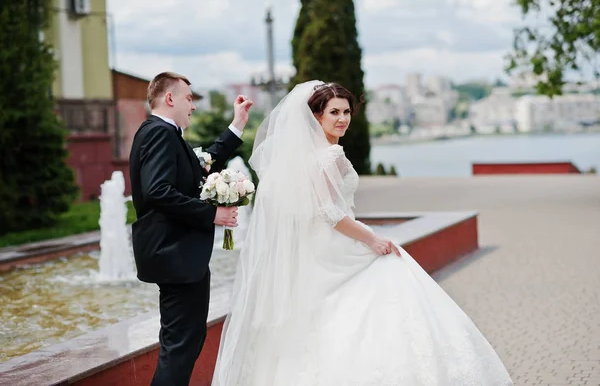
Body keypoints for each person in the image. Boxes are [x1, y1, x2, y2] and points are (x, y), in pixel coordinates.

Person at [211, 81, 514, 385]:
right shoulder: (328, 156)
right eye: (334, 112)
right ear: (317, 116)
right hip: (335, 245)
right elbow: (329, 213)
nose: (342, 118)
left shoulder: (309, 156)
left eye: (346, 111)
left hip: (319, 246)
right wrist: (372, 238)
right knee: (391, 275)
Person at [128, 72, 252, 386]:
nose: (193, 106)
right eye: (188, 98)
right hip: (175, 257)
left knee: (186, 343)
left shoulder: (165, 133)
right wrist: (213, 214)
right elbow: (158, 190)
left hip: (180, 258)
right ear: (169, 98)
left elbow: (203, 164)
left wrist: (237, 124)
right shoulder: (160, 133)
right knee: (180, 347)